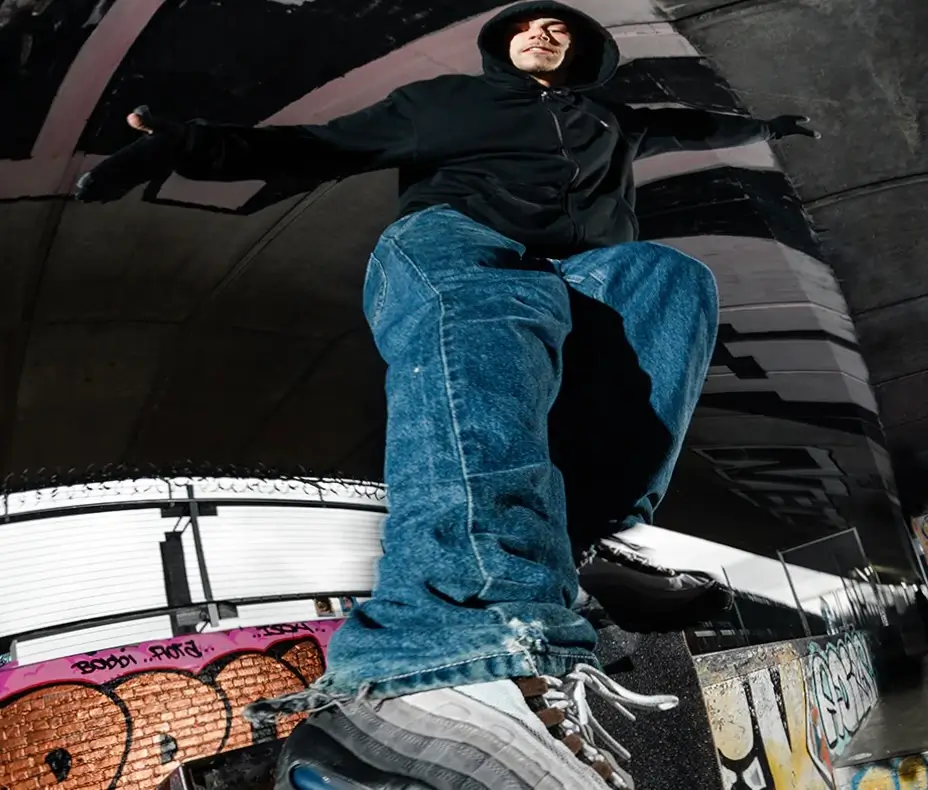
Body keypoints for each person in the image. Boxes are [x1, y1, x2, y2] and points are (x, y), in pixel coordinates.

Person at [77, 2, 817, 787]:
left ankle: (571, 546)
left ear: (585, 54)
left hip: (582, 271)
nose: (540, 34)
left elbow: (686, 126)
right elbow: (319, 147)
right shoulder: (448, 102)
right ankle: (443, 653)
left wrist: (761, 129)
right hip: (455, 245)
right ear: (504, 46)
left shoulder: (611, 120)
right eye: (526, 28)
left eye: (559, 30)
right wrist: (193, 144)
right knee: (496, 314)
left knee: (670, 281)